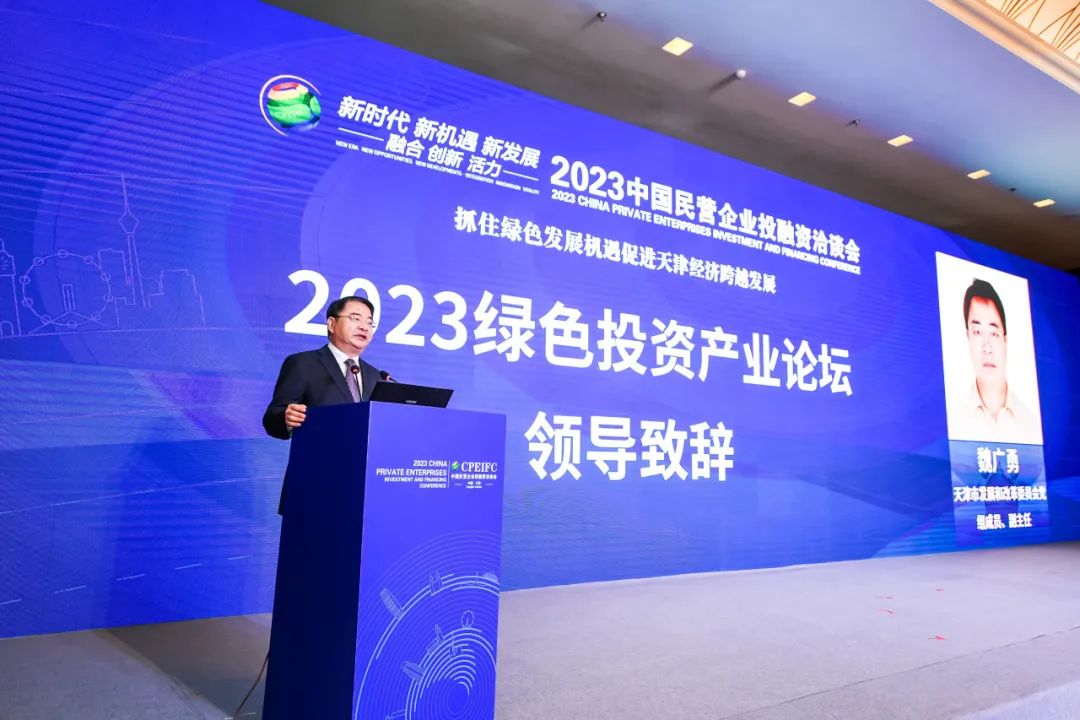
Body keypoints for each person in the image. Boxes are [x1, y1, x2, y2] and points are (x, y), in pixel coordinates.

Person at [263, 296, 386, 440]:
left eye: (369, 322)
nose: (364, 327)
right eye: (355, 319)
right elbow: (272, 418)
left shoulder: (376, 376)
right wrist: (286, 419)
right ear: (332, 324)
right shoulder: (303, 364)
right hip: (318, 452)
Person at [949, 279, 1041, 445]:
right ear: (968, 337)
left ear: (1005, 339)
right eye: (977, 332)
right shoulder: (954, 420)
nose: (987, 347)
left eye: (993, 333)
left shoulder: (1030, 423)